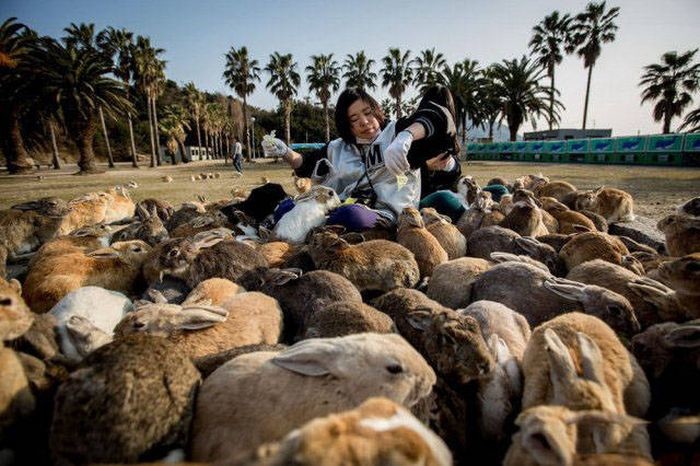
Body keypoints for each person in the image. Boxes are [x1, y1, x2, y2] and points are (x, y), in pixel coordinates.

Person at [262, 86, 458, 231]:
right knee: (286, 206)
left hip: (389, 214)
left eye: (367, 113)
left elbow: (440, 115)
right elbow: (304, 164)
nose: (364, 122)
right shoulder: (336, 147)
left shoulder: (395, 132)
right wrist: (285, 151)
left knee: (351, 215)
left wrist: (406, 136)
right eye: (354, 119)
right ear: (346, 125)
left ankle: (309, 228)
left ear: (376, 110)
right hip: (337, 206)